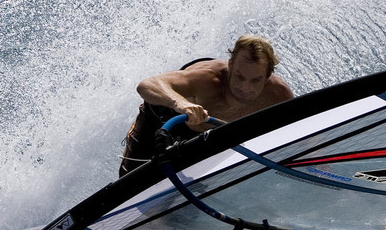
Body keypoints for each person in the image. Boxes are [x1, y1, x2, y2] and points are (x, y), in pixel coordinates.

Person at [118, 34, 295, 177]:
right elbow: (147, 85)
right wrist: (182, 104)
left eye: (255, 80)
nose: (245, 88)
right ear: (231, 65)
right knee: (131, 181)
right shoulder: (208, 78)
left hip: (210, 137)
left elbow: (305, 132)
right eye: (239, 77)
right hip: (163, 123)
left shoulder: (278, 94)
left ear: (268, 74)